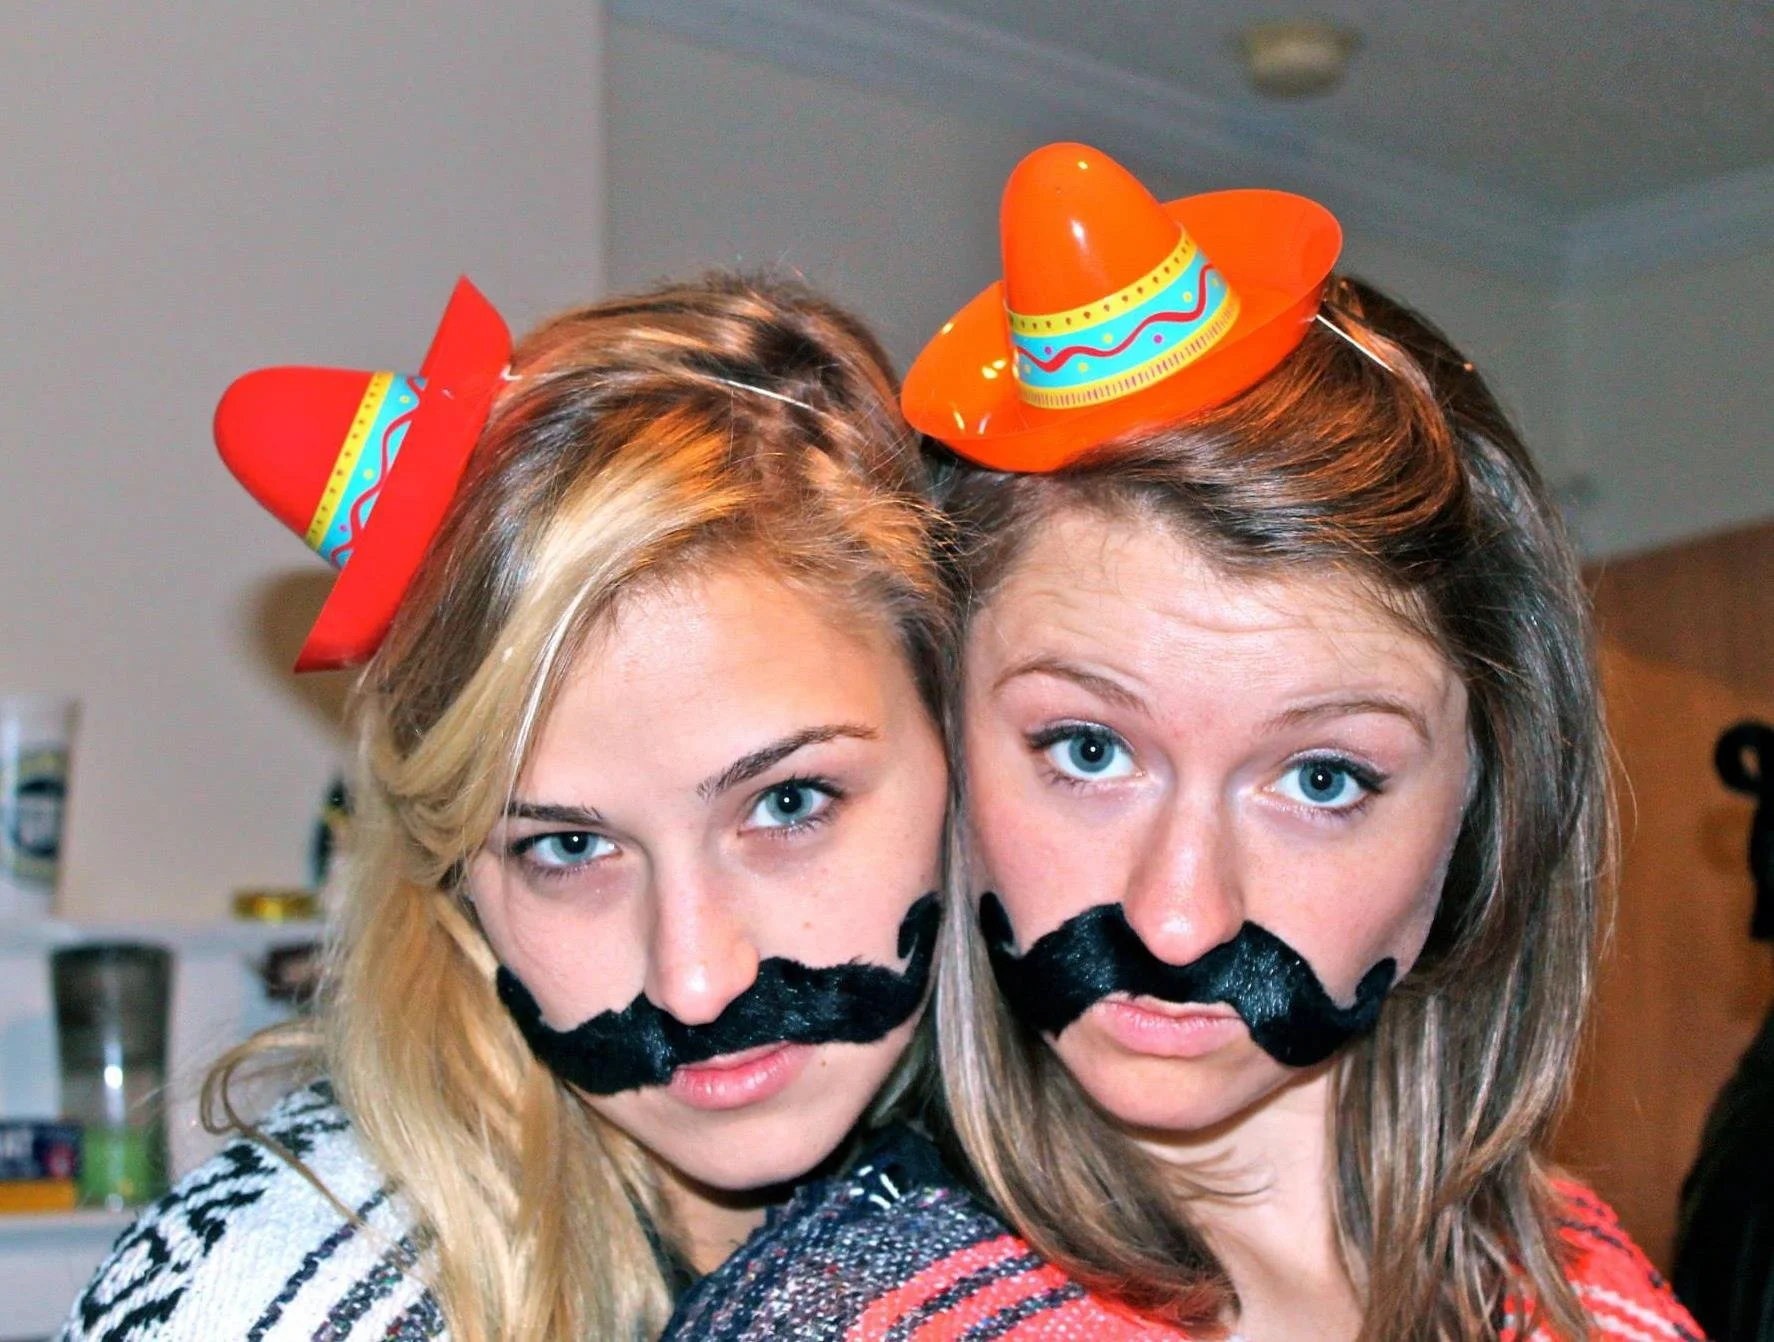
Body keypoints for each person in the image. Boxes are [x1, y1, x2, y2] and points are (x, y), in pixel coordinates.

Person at [666, 145, 1705, 1340]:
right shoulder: (844, 1317)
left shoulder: (1598, 1292)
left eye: (1321, 779)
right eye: (1088, 751)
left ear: (1488, 800)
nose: (1177, 921)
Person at [59, 274, 952, 1342]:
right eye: (568, 846)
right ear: (455, 877)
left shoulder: (1072, 1216)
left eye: (788, 802)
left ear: (958, 748)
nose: (695, 982)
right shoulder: (258, 1306)